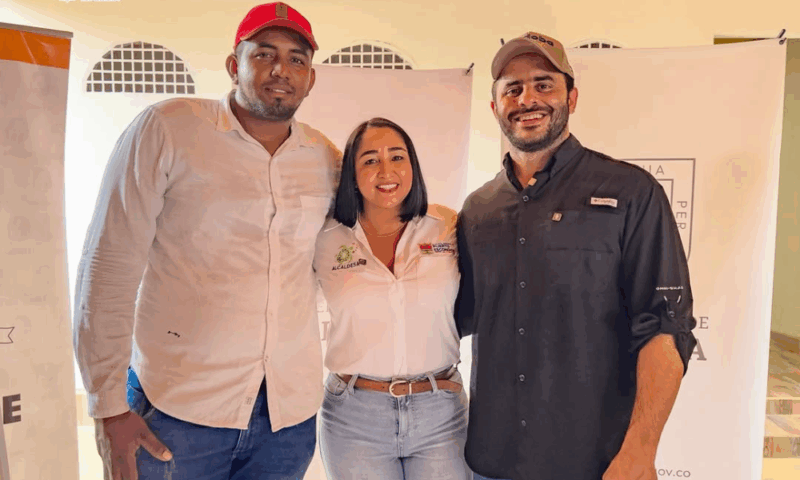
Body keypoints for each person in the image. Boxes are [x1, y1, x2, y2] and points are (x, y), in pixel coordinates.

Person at [72, 3, 340, 479]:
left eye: (296, 59)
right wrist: (108, 408)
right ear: (234, 65)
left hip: (287, 422)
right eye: (264, 54)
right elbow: (108, 265)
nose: (281, 70)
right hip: (176, 414)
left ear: (311, 79)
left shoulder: (324, 157)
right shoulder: (169, 129)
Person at [455, 32, 698, 480]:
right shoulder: (477, 208)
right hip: (491, 460)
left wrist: (639, 452)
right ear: (495, 108)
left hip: (596, 463)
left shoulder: (631, 192)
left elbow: (666, 327)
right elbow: (454, 318)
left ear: (572, 97)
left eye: (543, 84)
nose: (527, 99)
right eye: (512, 89)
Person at [313, 117, 471, 480]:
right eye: (370, 160)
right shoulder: (325, 237)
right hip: (355, 418)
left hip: (440, 413)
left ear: (412, 165)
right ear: (352, 174)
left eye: (397, 157)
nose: (386, 171)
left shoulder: (446, 225)